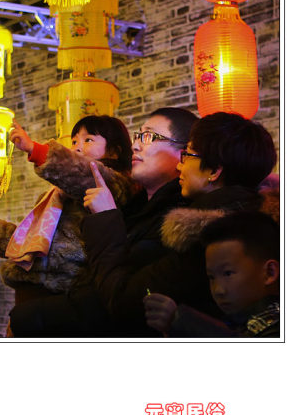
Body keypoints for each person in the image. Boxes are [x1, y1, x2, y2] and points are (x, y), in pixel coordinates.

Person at [80, 111, 278, 336]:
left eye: (188, 155)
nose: (180, 166)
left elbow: (124, 302)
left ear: (214, 171)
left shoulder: (209, 232)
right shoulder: (244, 218)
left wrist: (105, 216)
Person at [9, 107, 199, 336]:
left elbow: (122, 304)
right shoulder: (135, 207)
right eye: (138, 136)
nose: (136, 145)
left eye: (149, 136)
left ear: (182, 155)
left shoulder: (178, 222)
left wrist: (35, 149)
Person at [0, 115, 138, 307]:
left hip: (64, 292)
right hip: (30, 286)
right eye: (74, 141)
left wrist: (35, 149)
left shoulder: (113, 183)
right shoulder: (55, 195)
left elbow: (83, 173)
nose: (77, 147)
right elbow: (34, 242)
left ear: (114, 152)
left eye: (88, 140)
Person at [143, 211, 280, 337]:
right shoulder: (236, 324)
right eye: (211, 277)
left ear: (270, 272)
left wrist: (181, 322)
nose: (218, 290)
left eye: (228, 273)